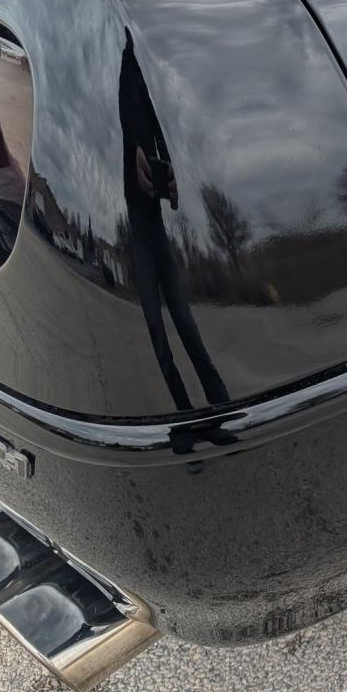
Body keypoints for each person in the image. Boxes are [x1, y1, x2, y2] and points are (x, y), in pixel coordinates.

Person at [118, 28, 229, 411]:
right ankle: (181, 421)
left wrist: (174, 176)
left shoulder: (145, 70)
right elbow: (108, 125)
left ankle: (220, 408)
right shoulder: (112, 69)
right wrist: (130, 150)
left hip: (155, 218)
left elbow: (162, 127)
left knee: (184, 320)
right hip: (128, 220)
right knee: (156, 329)